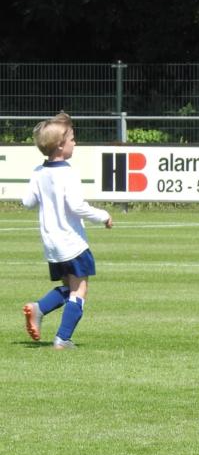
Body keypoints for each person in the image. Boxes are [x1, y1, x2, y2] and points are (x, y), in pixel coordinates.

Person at [21, 113, 113, 349]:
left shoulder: (38, 172)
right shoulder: (68, 172)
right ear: (60, 146)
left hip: (52, 245)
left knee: (68, 287)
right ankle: (63, 338)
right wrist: (103, 216)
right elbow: (77, 206)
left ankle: (38, 309)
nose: (75, 143)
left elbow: (27, 202)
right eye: (72, 139)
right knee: (79, 289)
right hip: (72, 242)